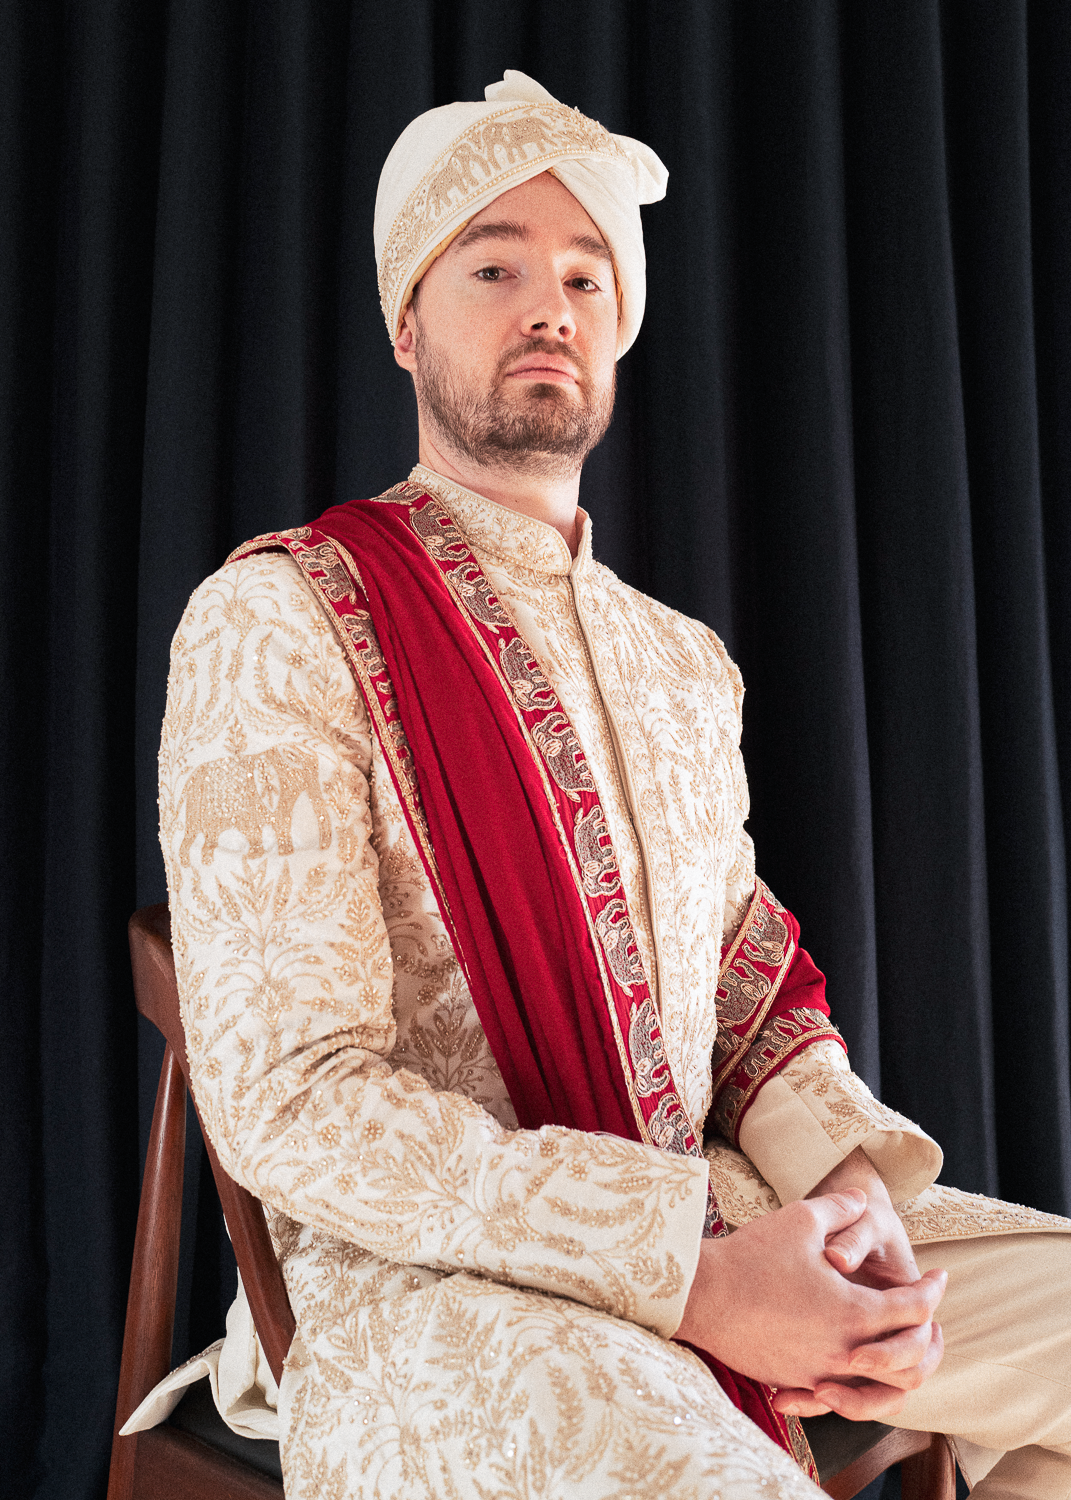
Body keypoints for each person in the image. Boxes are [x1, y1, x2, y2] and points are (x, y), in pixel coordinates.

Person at [134, 71, 1071, 1498]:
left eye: (584, 276)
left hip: (731, 1209)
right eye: (493, 267)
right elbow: (295, 1100)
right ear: (405, 321)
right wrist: (687, 1273)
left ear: (619, 325)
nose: (548, 308)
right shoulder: (279, 619)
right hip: (432, 1287)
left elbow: (746, 984)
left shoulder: (678, 662)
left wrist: (843, 1203)